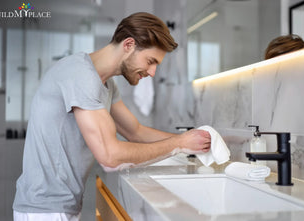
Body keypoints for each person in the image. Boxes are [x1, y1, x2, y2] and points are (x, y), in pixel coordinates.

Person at [12, 12, 211, 221]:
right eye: (150, 61)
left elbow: (136, 132)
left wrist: (191, 142)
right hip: (44, 210)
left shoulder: (105, 83)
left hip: (59, 205)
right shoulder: (81, 75)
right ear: (128, 45)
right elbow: (109, 156)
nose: (152, 72)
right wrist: (179, 144)